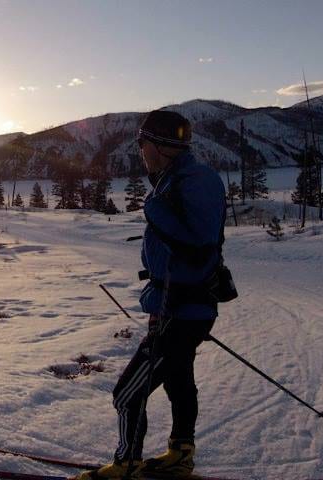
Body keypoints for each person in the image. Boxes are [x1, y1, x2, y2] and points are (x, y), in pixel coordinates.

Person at [77, 110, 227, 480]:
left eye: (142, 143)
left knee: (127, 394)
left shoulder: (193, 181)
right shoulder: (176, 179)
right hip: (177, 304)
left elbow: (199, 243)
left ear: (159, 146)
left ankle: (126, 465)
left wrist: (156, 211)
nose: (140, 151)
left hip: (182, 308)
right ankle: (180, 454)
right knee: (179, 380)